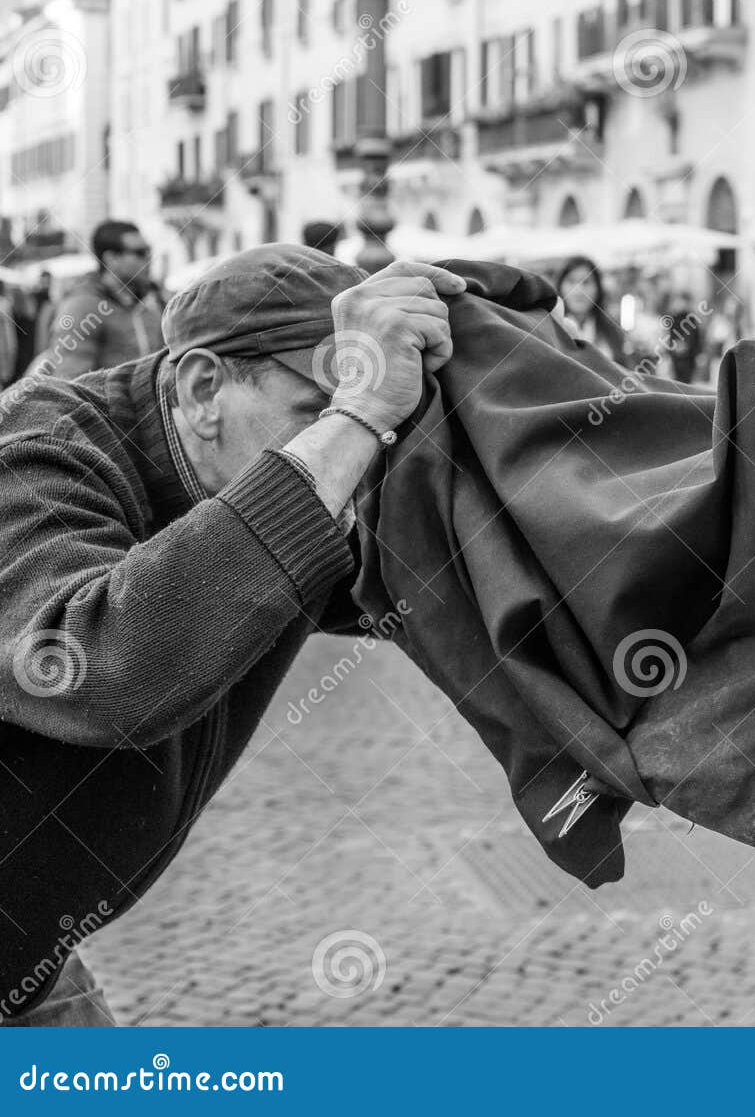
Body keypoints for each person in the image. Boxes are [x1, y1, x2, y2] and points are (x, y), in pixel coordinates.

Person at [0, 244, 465, 1025]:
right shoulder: (34, 457)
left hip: (33, 966)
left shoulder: (259, 466)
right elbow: (102, 666)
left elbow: (441, 584)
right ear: (204, 388)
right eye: (318, 411)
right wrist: (358, 416)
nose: (352, 459)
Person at [26, 222, 165, 381]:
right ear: (112, 258)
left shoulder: (151, 301)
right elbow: (70, 381)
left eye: (149, 251)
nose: (149, 258)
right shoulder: (83, 305)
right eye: (140, 253)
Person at [555, 255, 626, 364]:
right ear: (560, 286)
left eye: (586, 282)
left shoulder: (612, 329)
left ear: (598, 288)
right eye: (571, 281)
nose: (579, 290)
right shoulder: (550, 327)